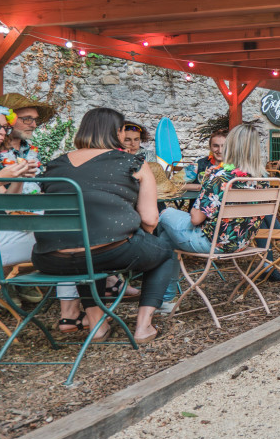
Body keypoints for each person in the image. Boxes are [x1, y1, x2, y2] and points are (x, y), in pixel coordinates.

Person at [31, 108, 175, 344]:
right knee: (163, 253)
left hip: (49, 257)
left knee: (86, 252)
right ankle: (143, 326)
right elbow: (150, 219)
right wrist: (142, 241)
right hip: (110, 251)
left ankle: (97, 324)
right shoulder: (133, 162)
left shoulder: (55, 165)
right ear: (117, 132)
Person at [156, 123, 280, 295]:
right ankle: (165, 296)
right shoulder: (262, 181)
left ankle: (159, 289)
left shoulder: (221, 177)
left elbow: (195, 218)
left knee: (164, 214)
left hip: (212, 243)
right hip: (241, 243)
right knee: (167, 236)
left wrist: (207, 184)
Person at [0, 102, 35, 271]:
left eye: (4, 128)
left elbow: (7, 205)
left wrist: (19, 177)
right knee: (63, 236)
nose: (2, 133)